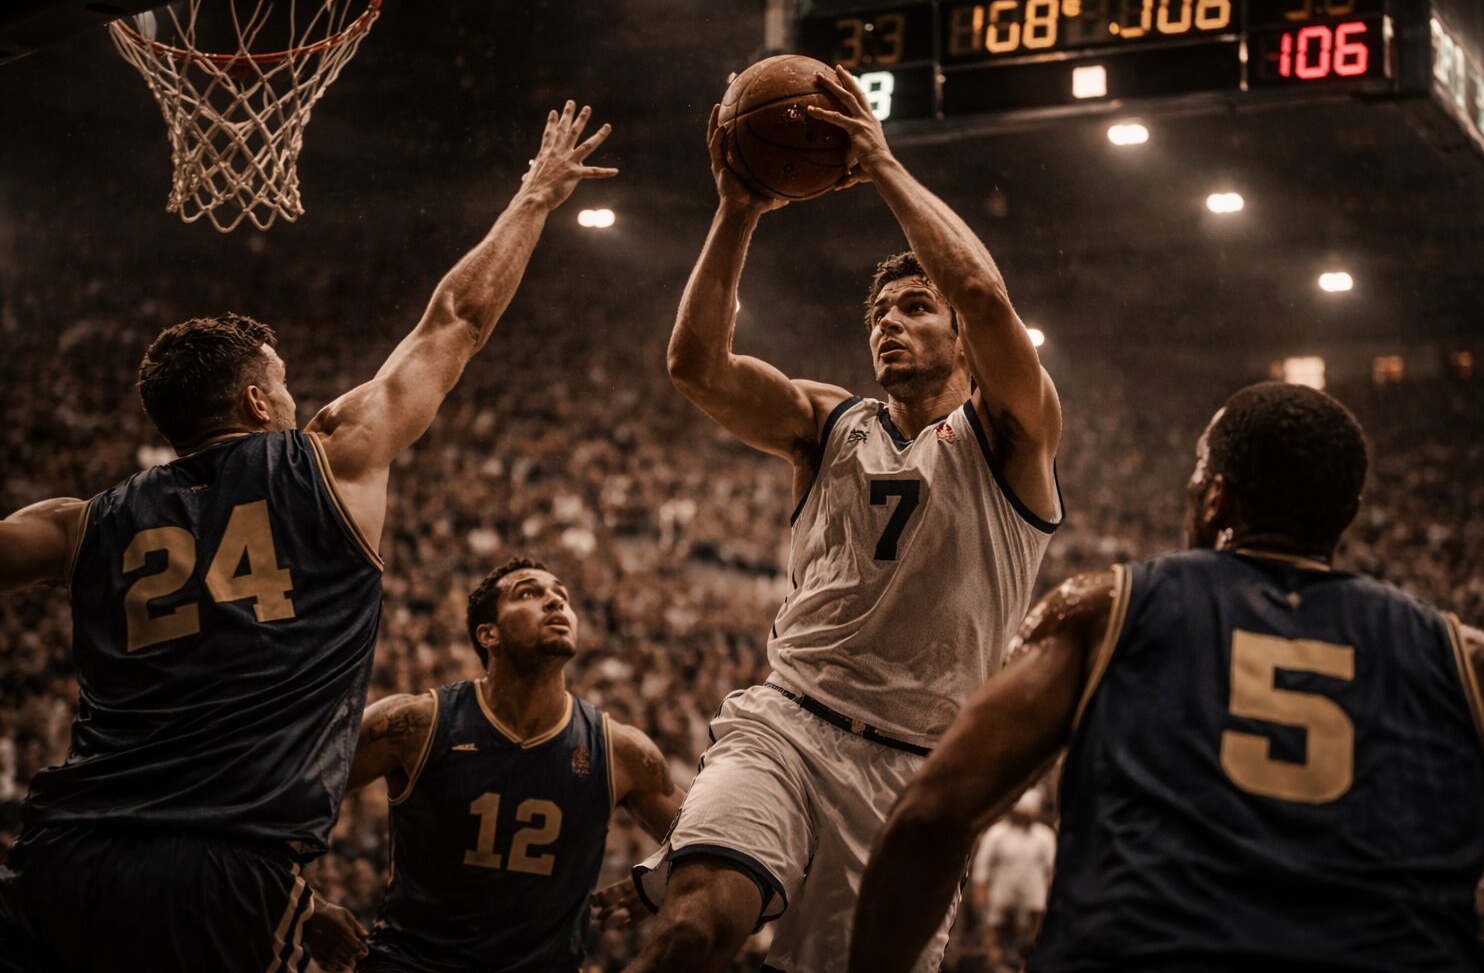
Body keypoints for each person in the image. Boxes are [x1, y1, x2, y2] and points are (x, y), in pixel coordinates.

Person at [0, 102, 616, 973]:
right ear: (257, 402)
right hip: (225, 867)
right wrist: (535, 195)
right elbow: (457, 321)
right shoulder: (330, 461)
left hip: (60, 860)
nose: (294, 398)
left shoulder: (76, 524)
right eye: (282, 386)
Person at [850, 381, 1484, 973]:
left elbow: (932, 815)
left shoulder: (1104, 611)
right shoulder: (1477, 665)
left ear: (1216, 501)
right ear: (1347, 516)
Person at [627, 65, 1063, 973]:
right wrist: (738, 212)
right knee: (694, 925)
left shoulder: (1013, 434)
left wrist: (884, 166)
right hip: (787, 720)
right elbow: (696, 365)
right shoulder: (827, 423)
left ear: (963, 345)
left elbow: (984, 296)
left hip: (916, 768)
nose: (888, 325)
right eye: (878, 313)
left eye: (912, 308)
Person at [306, 558, 684, 973]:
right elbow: (282, 795)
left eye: (562, 595)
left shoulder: (621, 750)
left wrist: (658, 880)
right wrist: (305, 907)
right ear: (489, 634)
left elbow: (712, 842)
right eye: (529, 593)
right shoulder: (415, 724)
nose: (556, 602)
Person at [971, 788, 1055, 969]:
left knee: (1027, 951)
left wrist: (1049, 904)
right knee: (996, 955)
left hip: (1032, 905)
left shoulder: (1045, 837)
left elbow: (1050, 873)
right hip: (1000, 903)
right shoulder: (996, 834)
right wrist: (982, 906)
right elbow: (981, 871)